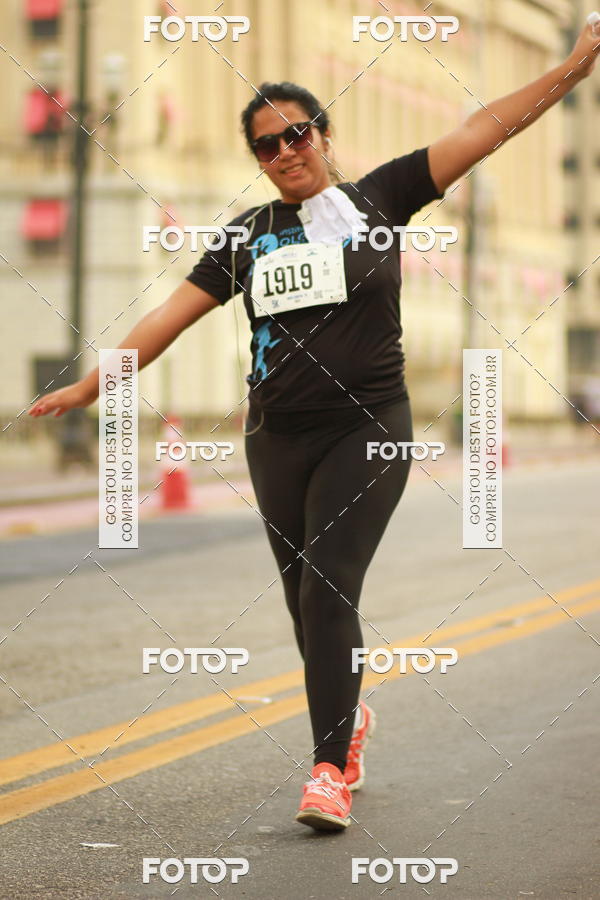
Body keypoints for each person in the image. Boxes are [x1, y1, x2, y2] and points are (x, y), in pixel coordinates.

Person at [29, 22, 599, 831]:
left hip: (367, 427)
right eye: (267, 145)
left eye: (298, 133)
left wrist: (575, 68)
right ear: (257, 160)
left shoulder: (382, 198)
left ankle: (327, 768)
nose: (287, 151)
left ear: (326, 135)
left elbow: (485, 127)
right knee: (306, 605)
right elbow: (171, 314)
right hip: (277, 438)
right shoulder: (249, 237)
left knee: (330, 589)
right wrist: (95, 381)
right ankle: (349, 720)